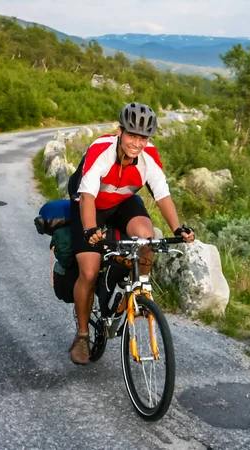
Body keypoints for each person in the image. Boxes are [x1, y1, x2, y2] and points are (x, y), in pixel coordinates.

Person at [66, 102, 195, 365]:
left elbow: (161, 194)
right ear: (120, 130)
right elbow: (88, 194)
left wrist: (178, 228)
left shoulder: (149, 157)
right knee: (89, 271)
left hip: (123, 202)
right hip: (91, 205)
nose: (137, 143)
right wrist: (90, 229)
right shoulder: (102, 150)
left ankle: (139, 292)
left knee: (146, 239)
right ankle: (81, 334)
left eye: (143, 137)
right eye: (132, 135)